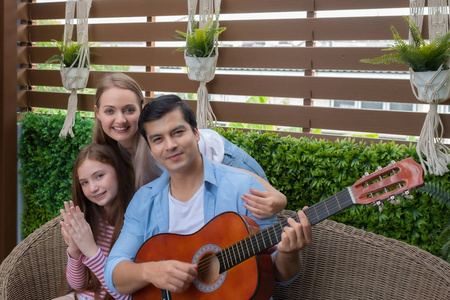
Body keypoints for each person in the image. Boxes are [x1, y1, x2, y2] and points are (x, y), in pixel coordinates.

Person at [104, 95, 312, 297]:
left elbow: (279, 276)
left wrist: (288, 253)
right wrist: (150, 272)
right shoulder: (144, 200)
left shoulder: (245, 188)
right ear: (150, 149)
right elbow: (113, 272)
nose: (170, 145)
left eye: (177, 132)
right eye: (158, 139)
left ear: (196, 133)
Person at [92, 72, 285, 219]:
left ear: (141, 109)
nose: (120, 119)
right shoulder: (107, 153)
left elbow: (226, 174)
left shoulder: (163, 147)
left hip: (225, 161)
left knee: (259, 221)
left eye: (129, 110)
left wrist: (278, 198)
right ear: (97, 112)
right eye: (110, 111)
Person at [53, 143, 133, 300]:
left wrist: (91, 249)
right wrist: (75, 251)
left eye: (99, 176)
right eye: (84, 182)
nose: (93, 188)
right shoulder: (91, 219)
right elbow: (78, 285)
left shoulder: (135, 223)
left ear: (118, 171)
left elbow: (126, 295)